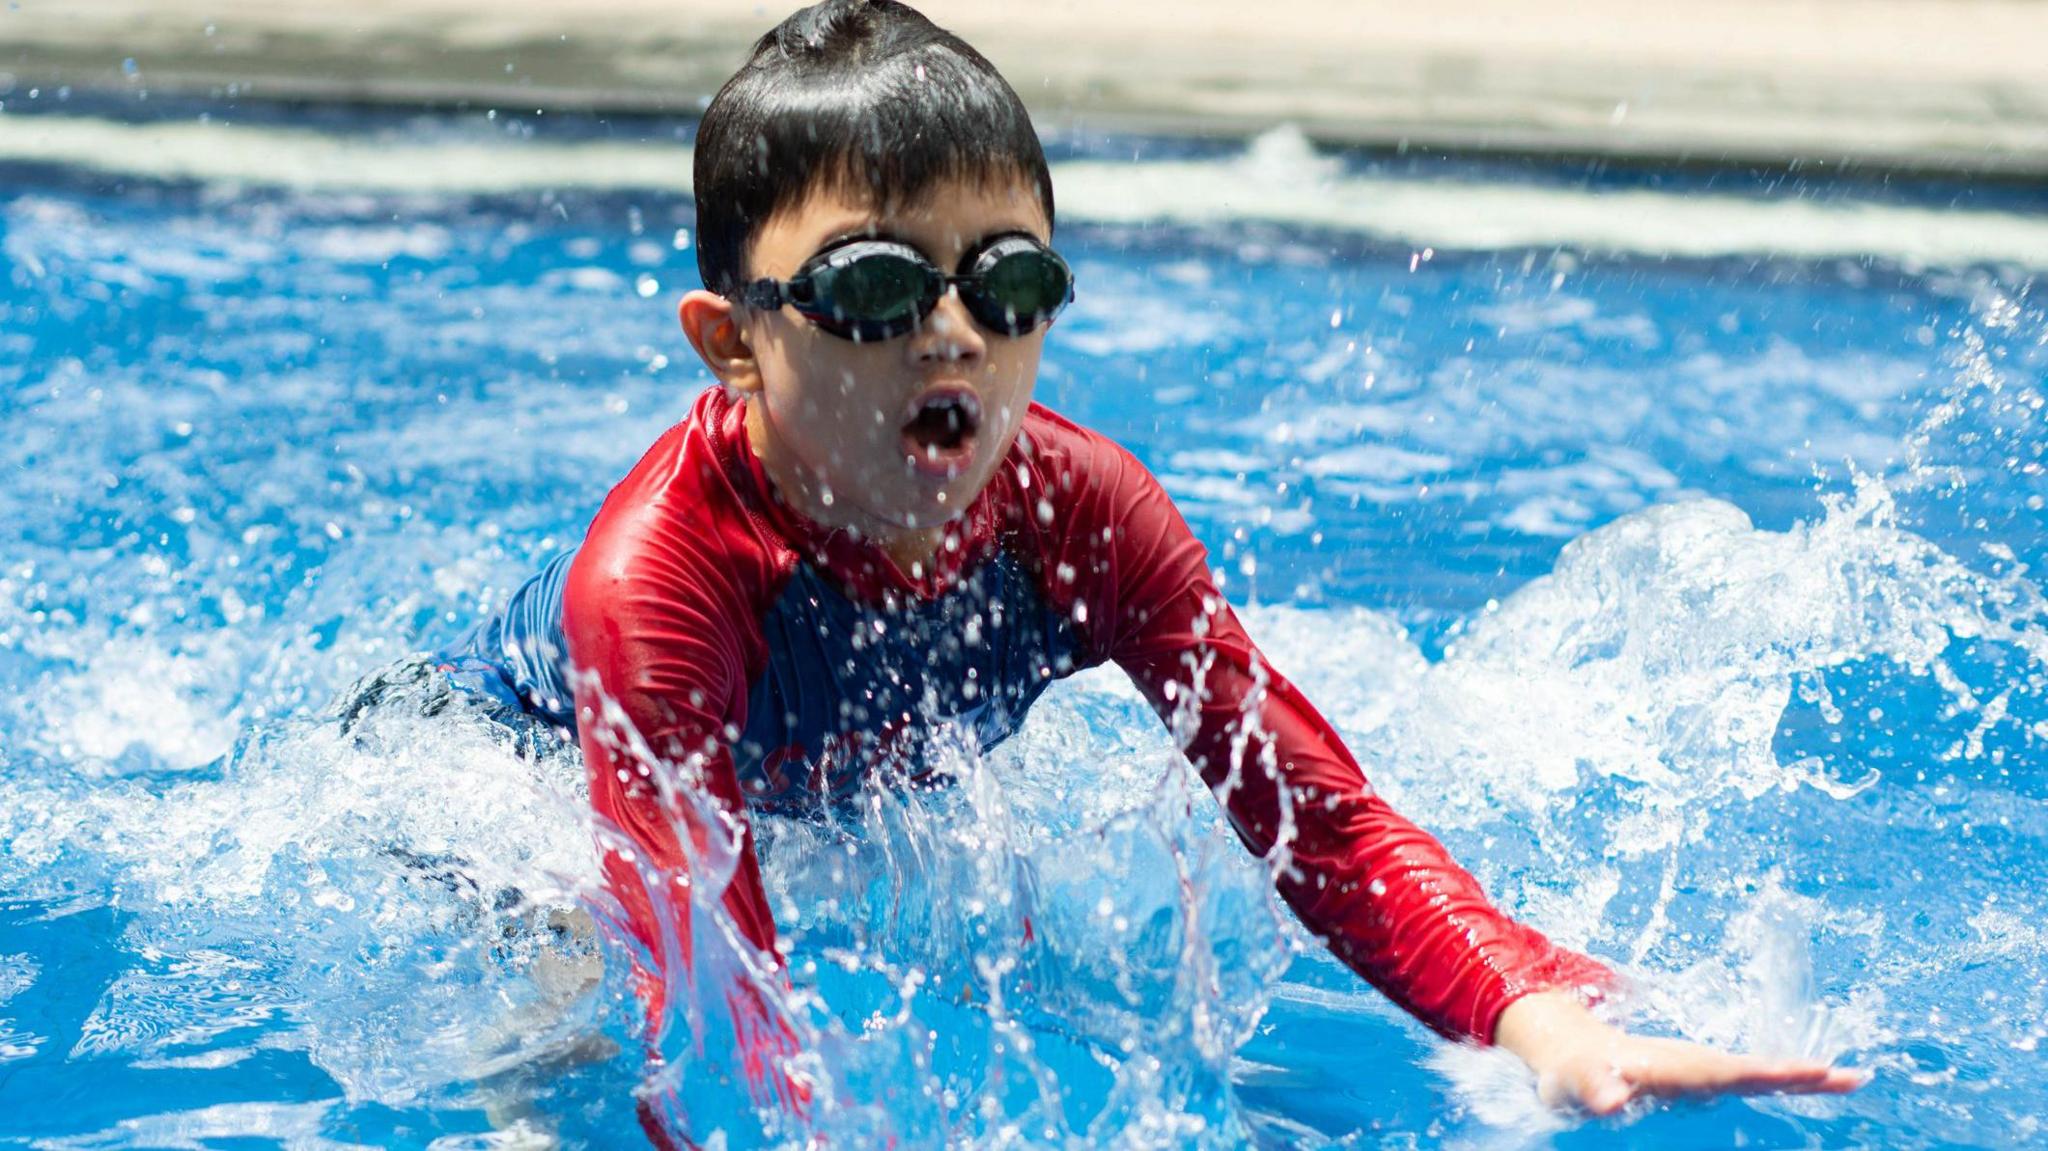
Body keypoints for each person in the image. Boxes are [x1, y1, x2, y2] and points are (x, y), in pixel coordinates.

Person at [439, 0, 1866, 1141]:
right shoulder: (662, 583)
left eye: (1008, 283)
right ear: (731, 341)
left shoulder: (1080, 513)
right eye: (876, 285)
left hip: (799, 780)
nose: (954, 335)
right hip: (501, 772)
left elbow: (1325, 823)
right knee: (566, 1008)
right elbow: (712, 988)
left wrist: (1538, 1019)